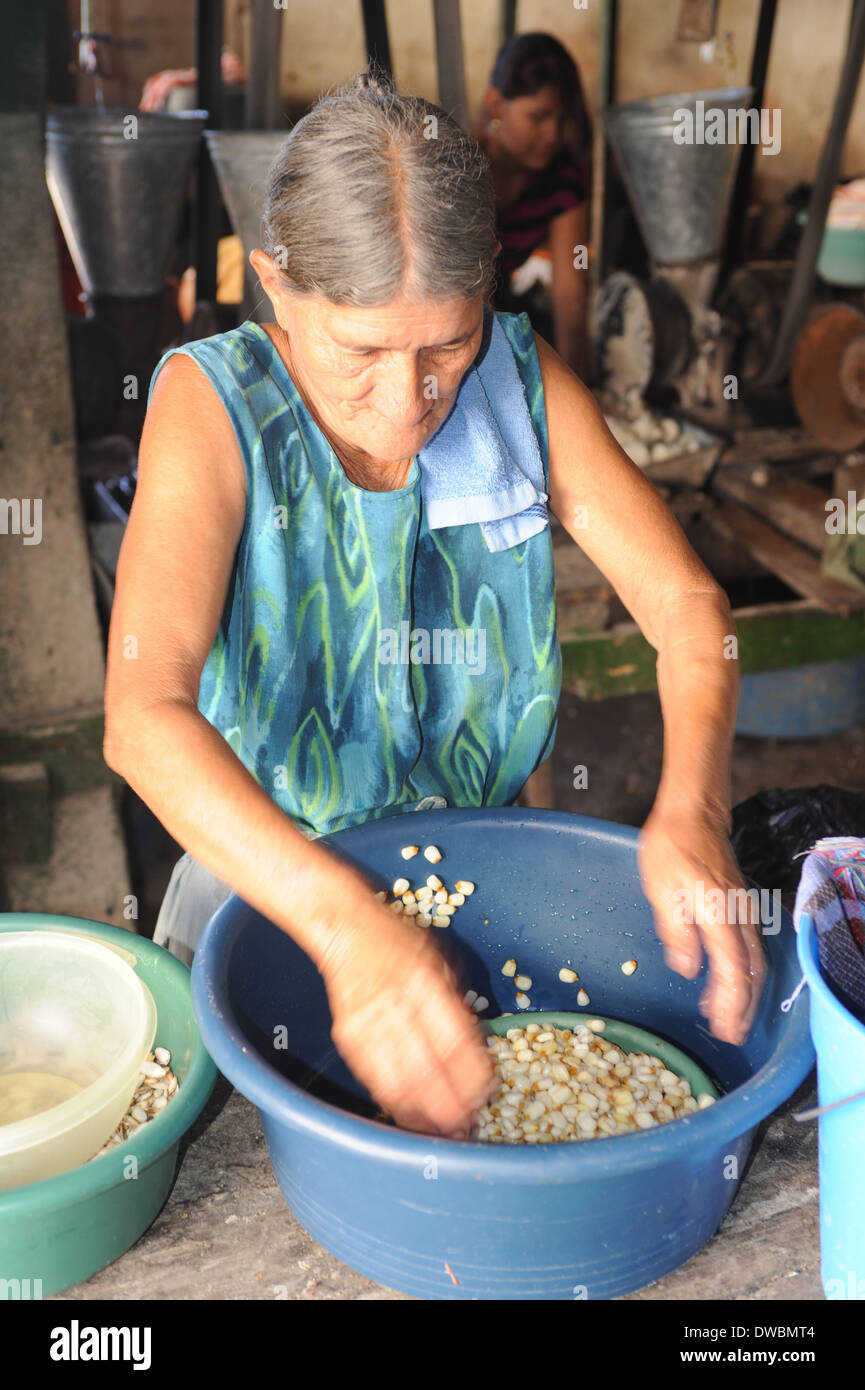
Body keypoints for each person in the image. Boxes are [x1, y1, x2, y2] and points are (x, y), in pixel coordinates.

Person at [104, 66, 765, 1145]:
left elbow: (691, 608)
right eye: (360, 350)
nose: (409, 398)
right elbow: (143, 718)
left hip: (477, 885)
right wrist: (347, 926)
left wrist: (692, 804)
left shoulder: (516, 379)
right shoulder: (215, 406)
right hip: (259, 897)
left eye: (443, 346)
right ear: (276, 286)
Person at [475, 33, 592, 378]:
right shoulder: (461, 167)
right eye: (539, 118)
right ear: (496, 105)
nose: (553, 134)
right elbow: (471, 295)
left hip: (503, 301)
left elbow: (571, 294)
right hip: (454, 310)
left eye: (560, 119)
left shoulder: (563, 179)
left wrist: (580, 387)